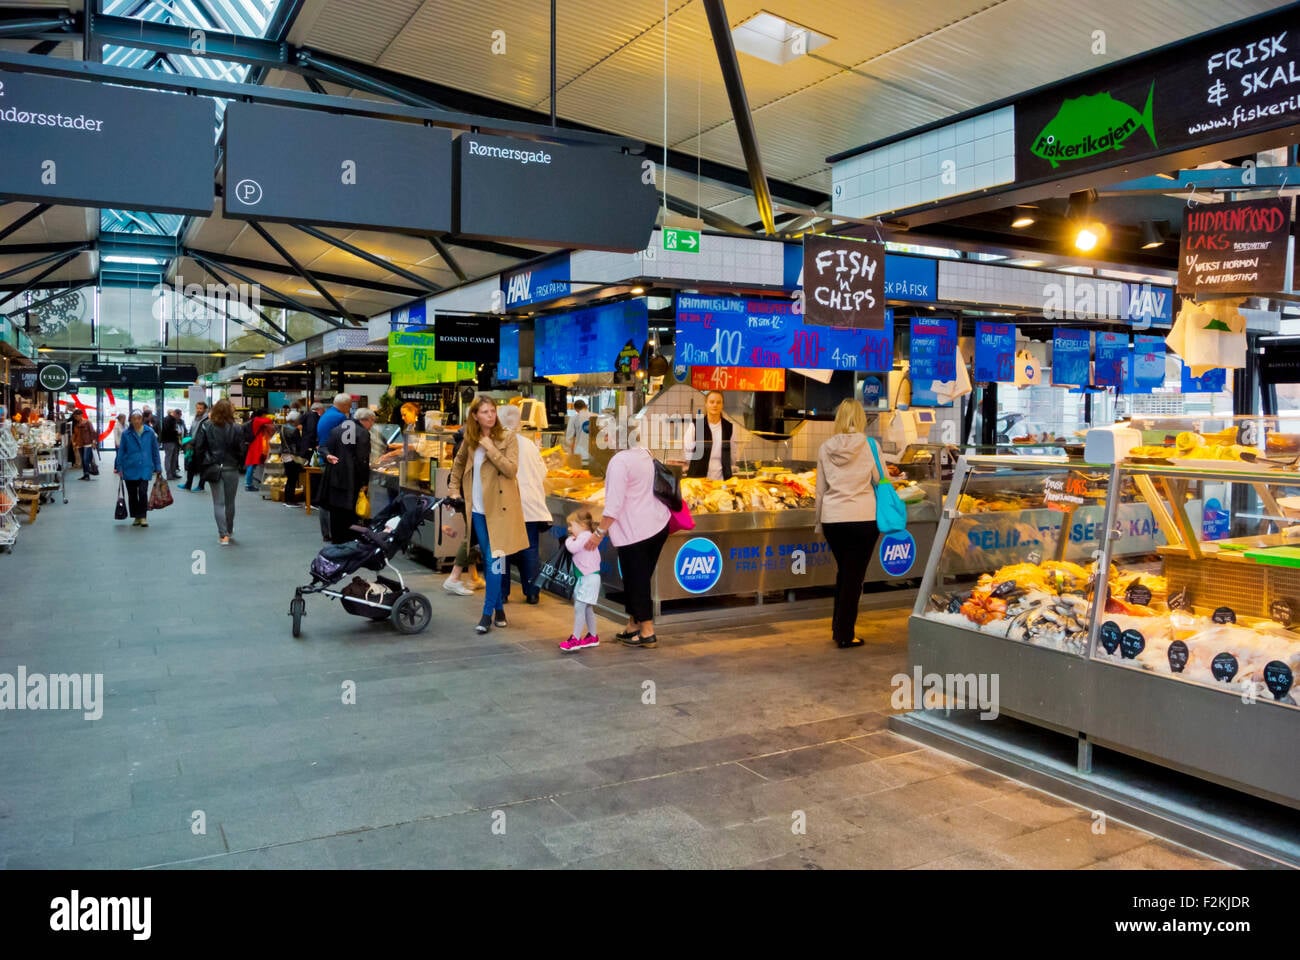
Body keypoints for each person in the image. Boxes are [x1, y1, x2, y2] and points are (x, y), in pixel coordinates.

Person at [448, 396, 527, 634]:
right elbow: (459, 463)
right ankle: (499, 609)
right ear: (475, 416)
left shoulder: (508, 438)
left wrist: (491, 448)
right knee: (492, 559)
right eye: (485, 412)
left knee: (494, 560)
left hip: (501, 510)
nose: (491, 416)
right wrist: (453, 488)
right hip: (478, 510)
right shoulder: (470, 440)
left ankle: (486, 613)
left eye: (493, 411)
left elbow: (511, 470)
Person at [585, 443, 670, 649]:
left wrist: (599, 533)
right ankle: (633, 625)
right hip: (658, 525)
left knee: (636, 580)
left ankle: (648, 632)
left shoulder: (619, 462)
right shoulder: (644, 453)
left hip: (635, 531)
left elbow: (613, 505)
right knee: (639, 577)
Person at [814, 398, 880, 649]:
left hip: (833, 519)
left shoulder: (825, 447)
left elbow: (820, 490)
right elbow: (879, 479)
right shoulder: (870, 446)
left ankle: (838, 627)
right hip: (863, 517)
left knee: (845, 573)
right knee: (854, 577)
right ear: (861, 418)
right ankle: (845, 634)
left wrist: (818, 522)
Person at [498, 403, 549, 605]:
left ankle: (503, 592)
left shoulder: (498, 443)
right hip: (530, 506)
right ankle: (532, 591)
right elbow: (543, 472)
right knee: (530, 549)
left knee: (503, 549)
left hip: (506, 505)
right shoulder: (528, 444)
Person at [193, 399, 247, 546]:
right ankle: (229, 530)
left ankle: (223, 535)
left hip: (213, 467)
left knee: (218, 502)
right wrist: (239, 464)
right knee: (230, 502)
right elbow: (242, 450)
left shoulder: (206, 426)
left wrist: (202, 466)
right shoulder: (237, 428)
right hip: (231, 468)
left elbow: (199, 448)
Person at [321, 407, 374, 545]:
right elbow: (362, 459)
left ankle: (336, 538)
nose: (372, 425)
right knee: (351, 509)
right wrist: (364, 481)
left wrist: (327, 456)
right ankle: (349, 539)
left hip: (334, 474)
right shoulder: (362, 433)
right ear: (366, 420)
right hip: (352, 477)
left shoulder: (337, 429)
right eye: (372, 422)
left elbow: (323, 447)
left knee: (336, 509)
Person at [559, 508, 604, 652]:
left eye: (572, 525)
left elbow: (573, 548)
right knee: (587, 608)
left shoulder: (584, 536)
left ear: (583, 525)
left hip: (588, 578)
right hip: (588, 577)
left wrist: (567, 540)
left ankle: (575, 638)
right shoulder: (586, 536)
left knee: (579, 608)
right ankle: (592, 635)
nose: (569, 528)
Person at [114, 411, 162, 528]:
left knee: (142, 491)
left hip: (145, 467)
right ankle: (136, 516)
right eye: (134, 419)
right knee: (132, 494)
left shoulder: (149, 432)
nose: (136, 421)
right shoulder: (126, 434)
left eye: (139, 418)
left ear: (142, 420)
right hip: (129, 467)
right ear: (130, 420)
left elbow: (155, 450)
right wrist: (119, 466)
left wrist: (158, 466)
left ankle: (143, 516)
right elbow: (121, 451)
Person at [314, 395, 352, 541]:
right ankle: (333, 531)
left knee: (325, 498)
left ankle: (326, 531)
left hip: (325, 457)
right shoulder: (340, 418)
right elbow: (346, 442)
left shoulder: (326, 415)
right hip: (334, 460)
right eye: (349, 406)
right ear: (345, 405)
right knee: (333, 499)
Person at [682, 390, 736, 481]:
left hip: (722, 480)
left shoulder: (729, 427)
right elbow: (687, 453)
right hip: (698, 480)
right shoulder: (695, 426)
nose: (715, 405)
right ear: (706, 404)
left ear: (722, 405)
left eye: (718, 402)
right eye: (711, 402)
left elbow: (733, 454)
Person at [181, 401, 209, 491]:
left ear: (205, 409)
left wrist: (199, 446)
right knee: (190, 466)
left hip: (201, 447)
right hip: (193, 445)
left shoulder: (206, 420)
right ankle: (188, 484)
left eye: (201, 408)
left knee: (202, 467)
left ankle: (201, 486)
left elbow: (204, 435)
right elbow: (193, 431)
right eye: (197, 408)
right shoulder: (196, 418)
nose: (199, 410)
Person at [279, 411, 305, 507]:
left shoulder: (283, 427)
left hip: (285, 455)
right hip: (293, 456)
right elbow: (299, 444)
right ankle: (290, 500)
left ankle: (287, 499)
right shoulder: (295, 430)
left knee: (289, 479)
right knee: (293, 479)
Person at [243, 409, 273, 491]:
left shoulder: (255, 420)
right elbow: (269, 420)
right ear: (263, 414)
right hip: (256, 445)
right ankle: (248, 484)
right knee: (252, 464)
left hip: (255, 445)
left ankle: (249, 483)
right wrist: (270, 417)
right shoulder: (257, 420)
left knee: (252, 464)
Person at [565, 399, 595, 464]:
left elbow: (569, 438)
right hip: (594, 454)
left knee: (580, 473)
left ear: (576, 409)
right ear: (586, 406)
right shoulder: (595, 416)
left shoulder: (574, 418)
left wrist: (570, 454)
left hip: (579, 453)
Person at [158, 409, 182, 480]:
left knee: (174, 458)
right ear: (176, 414)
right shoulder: (167, 419)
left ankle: (173, 473)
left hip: (173, 441)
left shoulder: (173, 420)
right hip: (168, 441)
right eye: (179, 416)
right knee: (169, 458)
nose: (179, 418)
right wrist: (176, 432)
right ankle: (169, 474)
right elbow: (168, 430)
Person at [72, 410, 97, 480]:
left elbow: (92, 432)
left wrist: (94, 442)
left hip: (87, 443)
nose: (75, 418)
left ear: (81, 415)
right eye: (75, 417)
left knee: (86, 459)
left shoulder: (88, 422)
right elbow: (76, 435)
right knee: (83, 460)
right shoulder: (76, 424)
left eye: (76, 416)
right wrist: (74, 443)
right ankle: (86, 474)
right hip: (79, 444)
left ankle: (87, 473)